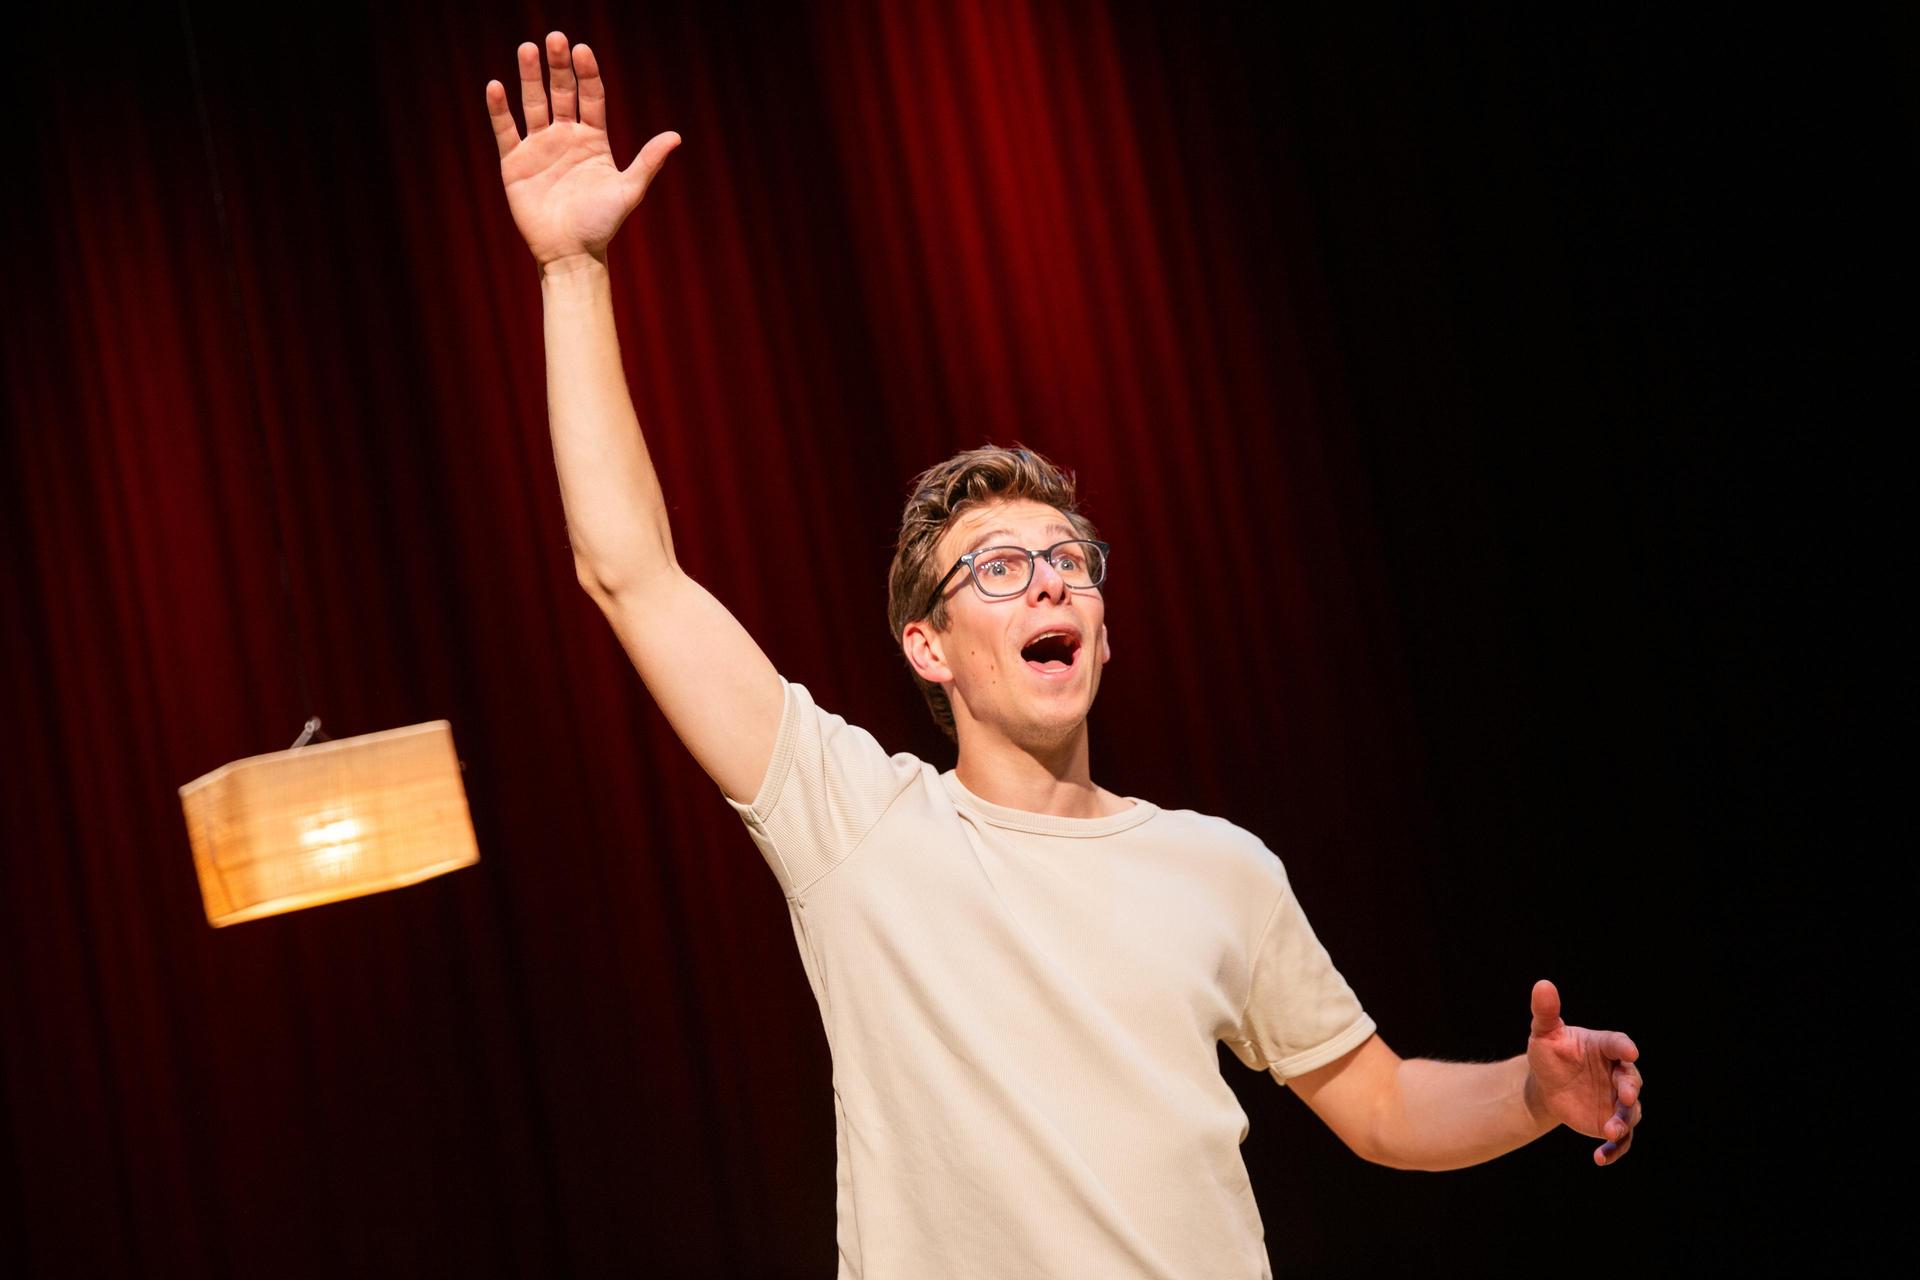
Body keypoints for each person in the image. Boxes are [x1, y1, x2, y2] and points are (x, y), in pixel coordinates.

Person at [485, 32, 1644, 1279]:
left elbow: (1380, 1104)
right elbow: (630, 571)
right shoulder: (857, 823)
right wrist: (573, 269)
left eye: (1070, 561)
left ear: (1101, 626)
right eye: (996, 566)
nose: (1047, 578)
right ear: (926, 646)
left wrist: (1531, 1096)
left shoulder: (1220, 867)